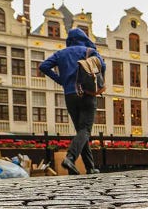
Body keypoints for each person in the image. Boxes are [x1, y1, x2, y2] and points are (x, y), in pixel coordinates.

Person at [39, 28, 106, 175]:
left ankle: (90, 167)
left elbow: (43, 66)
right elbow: (103, 66)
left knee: (81, 131)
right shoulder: (89, 51)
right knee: (85, 130)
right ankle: (70, 157)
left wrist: (61, 80)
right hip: (87, 94)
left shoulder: (61, 53)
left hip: (70, 95)